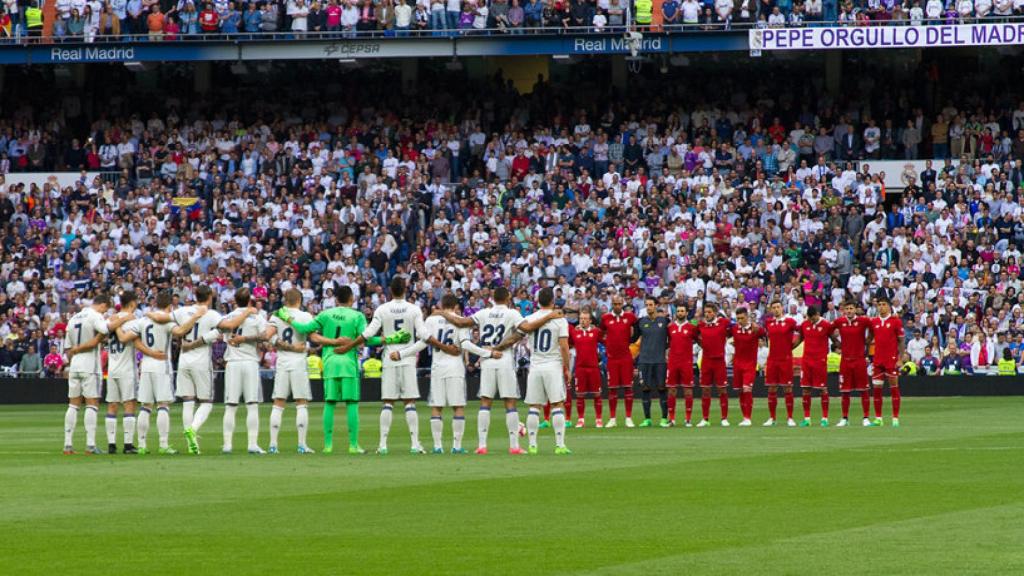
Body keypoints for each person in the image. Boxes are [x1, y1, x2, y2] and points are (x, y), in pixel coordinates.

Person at [284, 285, 405, 454]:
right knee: (351, 403)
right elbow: (368, 340)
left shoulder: (325, 314)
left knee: (330, 403)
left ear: (336, 299)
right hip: (348, 363)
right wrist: (390, 338)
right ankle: (353, 445)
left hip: (330, 362)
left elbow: (305, 329)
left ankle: (328, 445)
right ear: (351, 299)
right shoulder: (357, 316)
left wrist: (287, 318)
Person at [437, 286, 554, 454]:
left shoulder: (484, 313)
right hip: (504, 358)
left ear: (493, 297)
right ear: (507, 297)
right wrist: (549, 316)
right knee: (510, 403)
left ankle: (482, 445)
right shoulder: (512, 313)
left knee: (485, 402)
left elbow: (461, 322)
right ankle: (514, 446)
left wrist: (442, 313)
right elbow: (527, 328)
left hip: (487, 358)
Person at [348, 277, 430, 455]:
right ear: (405, 290)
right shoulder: (414, 309)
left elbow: (369, 333)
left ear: (390, 291)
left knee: (388, 403)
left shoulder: (382, 309)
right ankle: (415, 444)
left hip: (389, 359)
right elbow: (423, 334)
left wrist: (352, 343)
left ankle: (383, 445)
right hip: (407, 358)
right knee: (410, 402)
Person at [495, 288, 572, 455]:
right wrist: (567, 368)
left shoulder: (529, 319)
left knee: (534, 407)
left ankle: (532, 445)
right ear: (553, 301)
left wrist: (497, 347)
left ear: (538, 302)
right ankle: (559, 445)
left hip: (535, 366)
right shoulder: (560, 320)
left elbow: (515, 337)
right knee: (557, 405)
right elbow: (564, 347)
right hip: (553, 365)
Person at [422, 294, 497, 454]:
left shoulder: (430, 320)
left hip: (437, 367)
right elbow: (466, 344)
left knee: (437, 406)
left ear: (441, 304)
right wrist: (487, 353)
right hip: (455, 367)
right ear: (455, 306)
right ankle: (456, 446)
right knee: (458, 406)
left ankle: (437, 446)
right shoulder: (460, 321)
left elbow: (423, 339)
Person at [62, 294, 132, 454]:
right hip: (90, 365)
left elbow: (68, 348)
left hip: (75, 364)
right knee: (92, 404)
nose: (106, 312)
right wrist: (124, 318)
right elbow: (105, 329)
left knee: (73, 405)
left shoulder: (73, 319)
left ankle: (67, 444)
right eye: (106, 308)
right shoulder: (95, 316)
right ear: (102, 304)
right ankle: (91, 445)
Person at [219, 287, 276, 454]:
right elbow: (265, 338)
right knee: (252, 405)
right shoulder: (257, 317)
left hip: (233, 362)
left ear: (235, 300)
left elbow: (225, 338)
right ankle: (252, 444)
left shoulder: (227, 317)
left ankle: (228, 444)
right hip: (250, 361)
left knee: (230, 405)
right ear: (250, 300)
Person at [267, 289, 320, 454]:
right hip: (298, 362)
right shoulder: (305, 316)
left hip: (282, 361)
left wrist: (283, 344)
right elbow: (314, 338)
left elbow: (268, 336)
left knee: (278, 402)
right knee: (301, 402)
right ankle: (301, 444)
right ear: (299, 300)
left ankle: (273, 444)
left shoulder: (276, 315)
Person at [133, 291, 180, 455]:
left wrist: (148, 353)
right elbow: (180, 332)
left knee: (145, 406)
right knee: (162, 404)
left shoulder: (144, 320)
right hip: (162, 365)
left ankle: (141, 445)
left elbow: (134, 339)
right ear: (170, 306)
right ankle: (163, 444)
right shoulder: (167, 321)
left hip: (145, 365)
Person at [103, 291, 144, 454]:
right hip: (127, 368)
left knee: (112, 405)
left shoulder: (111, 319)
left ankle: (111, 445)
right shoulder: (133, 321)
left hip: (112, 368)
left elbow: (104, 338)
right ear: (132, 304)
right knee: (129, 404)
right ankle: (128, 444)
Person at [830, 301, 874, 427]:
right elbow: (829, 331)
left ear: (855, 309)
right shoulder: (840, 322)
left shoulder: (863, 321)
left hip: (859, 359)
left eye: (851, 308)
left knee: (863, 390)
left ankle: (866, 417)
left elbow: (872, 329)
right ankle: (844, 418)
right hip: (845, 360)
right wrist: (837, 343)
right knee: (845, 391)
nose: (849, 311)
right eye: (847, 308)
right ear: (844, 310)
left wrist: (868, 341)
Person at [599, 294, 637, 428]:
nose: (617, 306)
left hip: (626, 357)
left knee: (628, 387)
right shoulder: (605, 318)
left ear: (623, 304)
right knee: (612, 389)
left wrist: (631, 342)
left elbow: (637, 331)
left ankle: (628, 417)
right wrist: (607, 343)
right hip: (612, 358)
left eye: (619, 304)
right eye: (615, 304)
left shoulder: (630, 317)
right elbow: (600, 333)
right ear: (612, 304)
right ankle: (612, 418)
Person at [869, 297, 905, 427]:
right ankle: (878, 418)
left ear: (889, 307)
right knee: (877, 389)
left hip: (891, 360)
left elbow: (901, 341)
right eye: (879, 304)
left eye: (884, 304)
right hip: (878, 360)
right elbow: (869, 339)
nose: (881, 307)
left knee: (894, 388)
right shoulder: (874, 322)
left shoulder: (896, 321)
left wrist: (900, 358)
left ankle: (895, 418)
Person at [636, 297, 671, 427]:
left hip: (660, 360)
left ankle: (663, 418)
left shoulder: (665, 321)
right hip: (644, 360)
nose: (649, 307)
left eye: (651, 304)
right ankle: (647, 419)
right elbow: (633, 338)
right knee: (645, 389)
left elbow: (671, 338)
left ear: (656, 305)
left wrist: (667, 350)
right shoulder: (641, 322)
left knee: (662, 389)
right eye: (647, 305)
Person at [763, 300, 799, 427]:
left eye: (778, 307)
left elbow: (801, 333)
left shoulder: (790, 322)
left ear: (782, 308)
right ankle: (772, 418)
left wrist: (792, 346)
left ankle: (790, 417)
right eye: (774, 307)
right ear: (771, 310)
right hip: (772, 359)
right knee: (772, 388)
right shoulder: (769, 323)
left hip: (786, 359)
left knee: (787, 388)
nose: (776, 309)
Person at [696, 303, 731, 427]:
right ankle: (705, 419)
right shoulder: (701, 325)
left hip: (719, 361)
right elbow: (696, 337)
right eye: (706, 312)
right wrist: (703, 346)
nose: (707, 314)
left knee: (722, 389)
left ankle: (724, 418)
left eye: (710, 312)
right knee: (705, 389)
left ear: (715, 313)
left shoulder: (723, 322)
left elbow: (732, 331)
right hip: (706, 360)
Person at [796, 306, 832, 427]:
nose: (811, 321)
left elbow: (834, 339)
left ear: (817, 314)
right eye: (809, 319)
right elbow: (799, 339)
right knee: (806, 388)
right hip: (806, 361)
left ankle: (825, 418)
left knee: (822, 389)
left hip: (820, 361)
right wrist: (788, 348)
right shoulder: (804, 325)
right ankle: (807, 418)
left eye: (813, 318)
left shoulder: (826, 325)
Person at [569, 309, 603, 428]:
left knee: (597, 394)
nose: (582, 321)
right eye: (581, 318)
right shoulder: (574, 332)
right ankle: (581, 419)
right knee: (580, 395)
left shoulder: (596, 332)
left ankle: (598, 419)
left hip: (593, 367)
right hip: (580, 368)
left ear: (590, 320)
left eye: (585, 319)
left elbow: (605, 339)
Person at [730, 307, 762, 427]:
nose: (740, 321)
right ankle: (744, 417)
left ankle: (748, 418)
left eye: (742, 318)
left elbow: (764, 333)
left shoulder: (755, 329)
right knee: (740, 391)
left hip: (749, 364)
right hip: (737, 364)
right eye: (738, 318)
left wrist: (757, 326)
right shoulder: (734, 329)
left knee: (747, 389)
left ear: (747, 317)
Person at [666, 304, 698, 426]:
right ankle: (672, 419)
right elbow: (668, 342)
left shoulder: (691, 327)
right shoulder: (670, 327)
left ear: (686, 313)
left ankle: (688, 419)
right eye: (678, 311)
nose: (680, 313)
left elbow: (698, 339)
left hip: (687, 362)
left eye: (682, 311)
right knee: (672, 390)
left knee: (688, 391)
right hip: (673, 362)